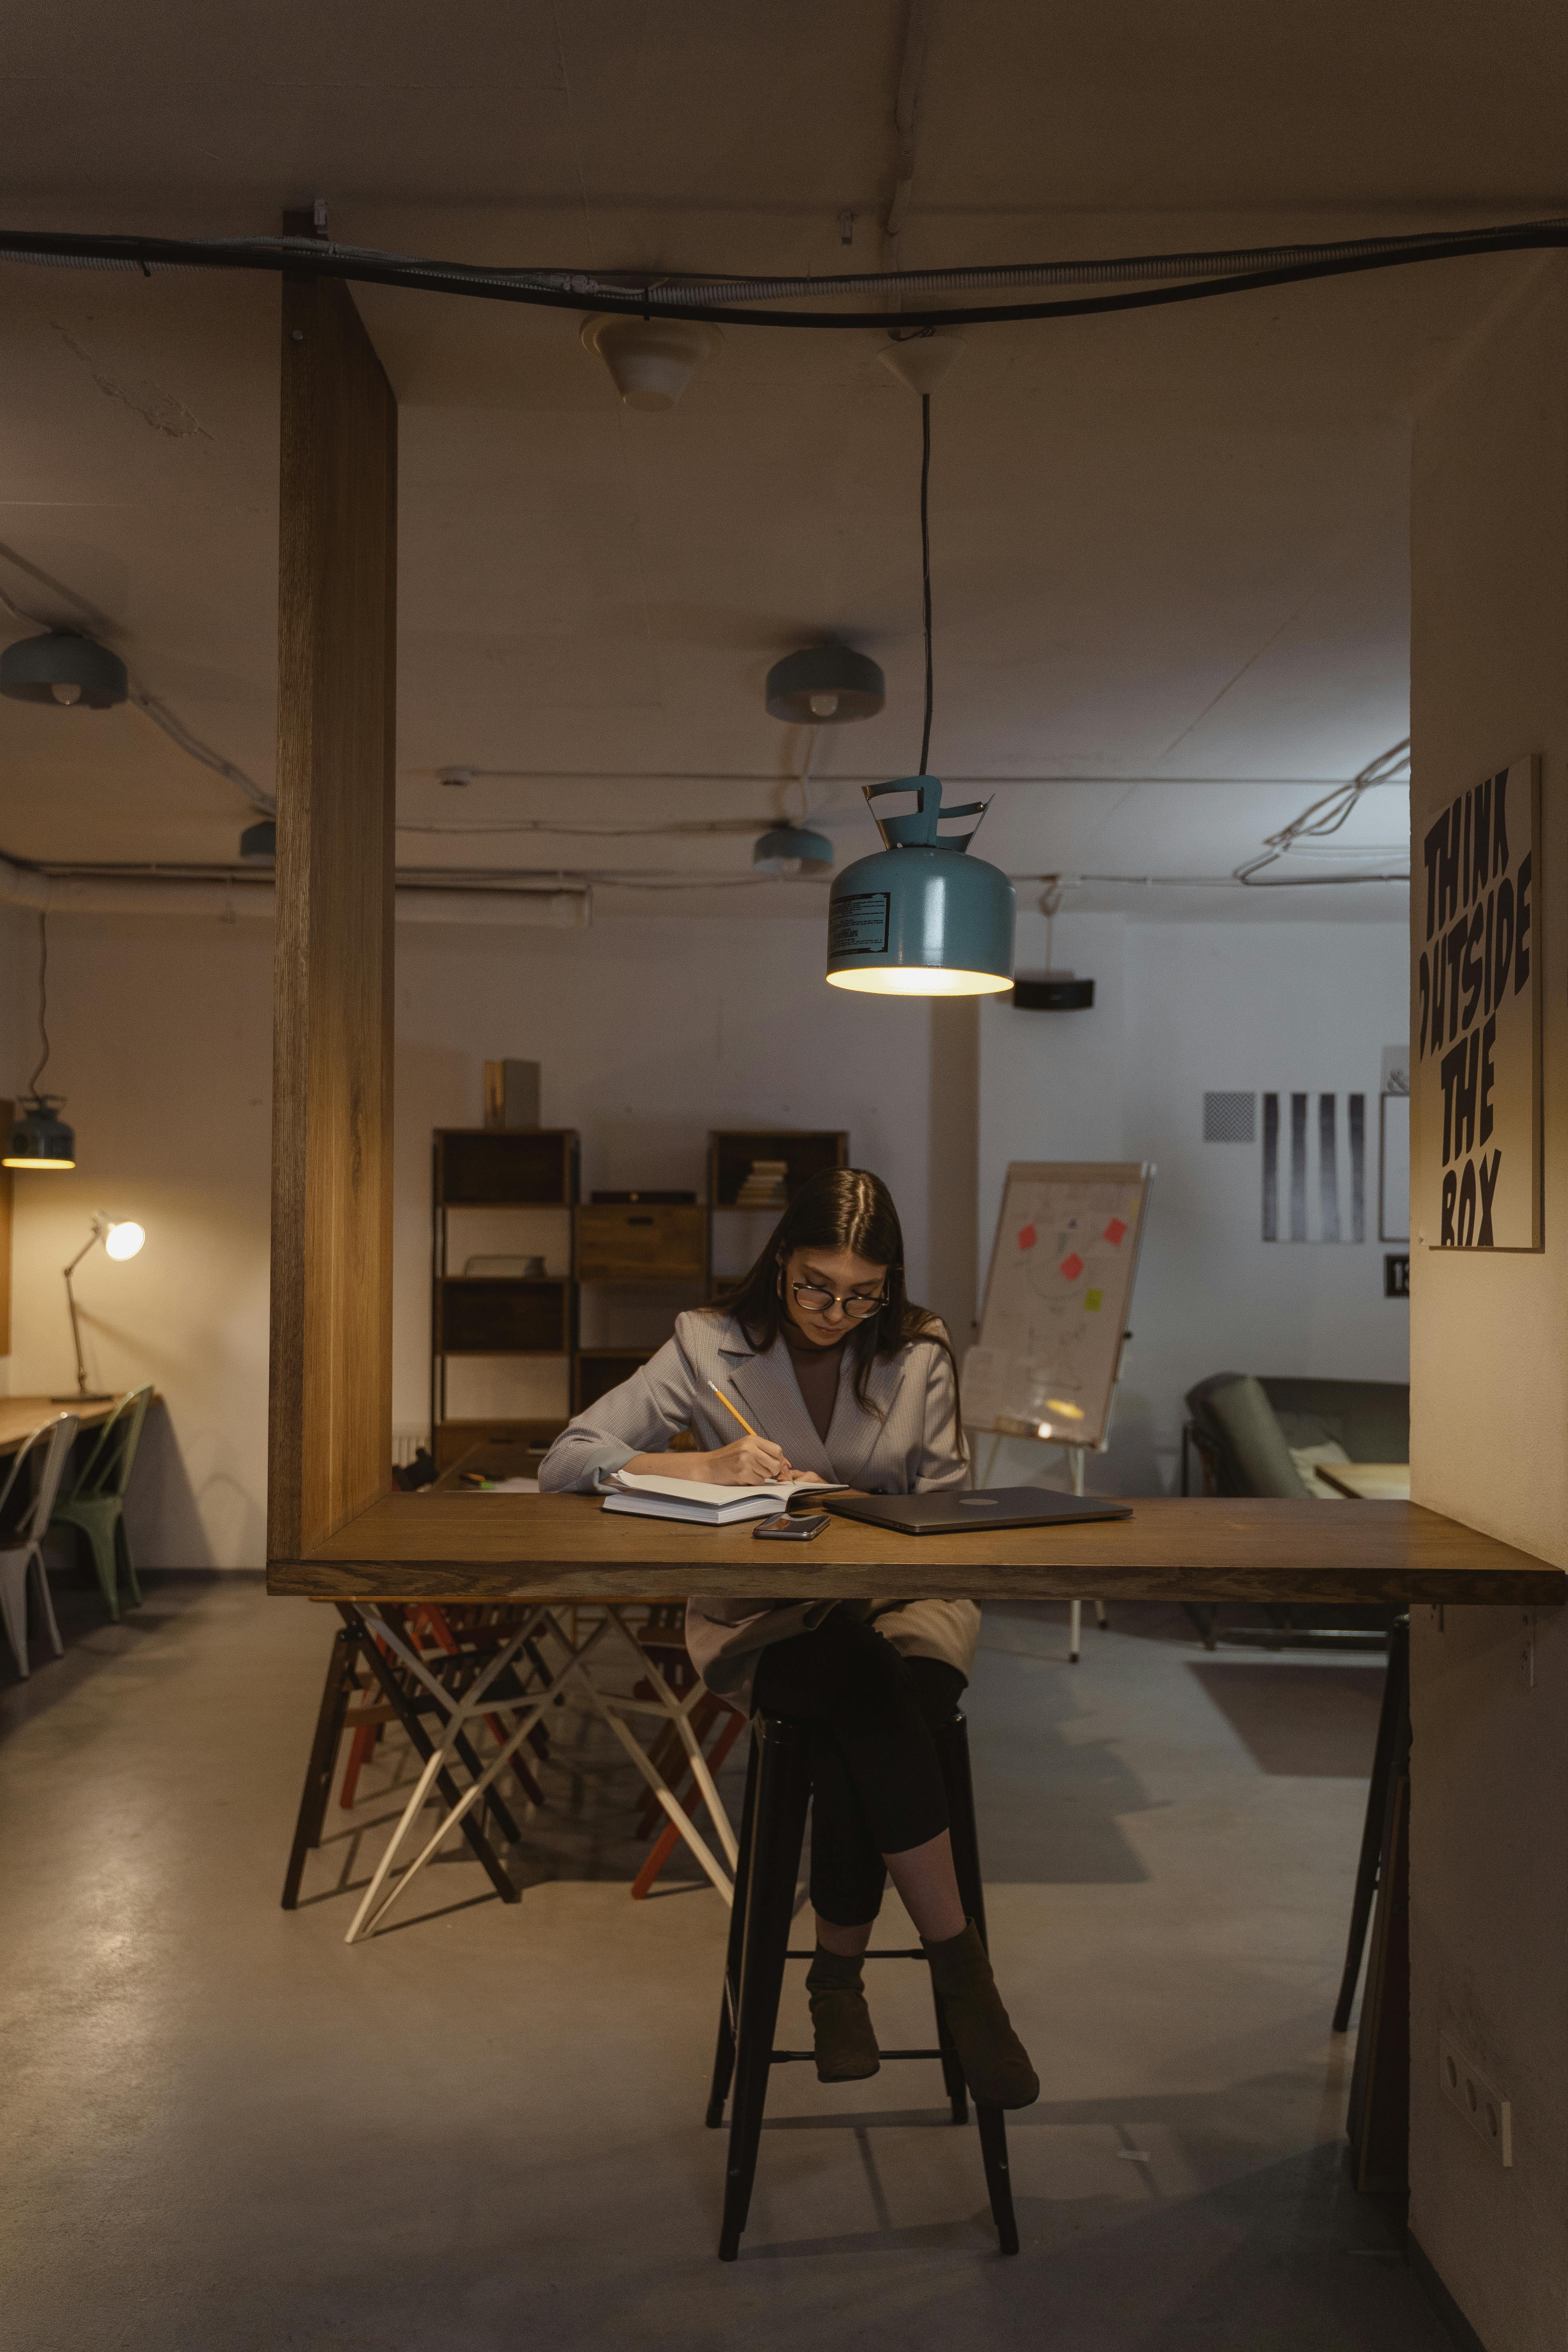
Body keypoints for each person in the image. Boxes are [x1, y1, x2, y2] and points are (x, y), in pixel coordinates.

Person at [539, 1167, 1038, 2108]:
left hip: (899, 1603)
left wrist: (883, 1519)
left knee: (886, 1695)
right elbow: (568, 1459)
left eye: (862, 1294)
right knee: (864, 1687)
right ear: (780, 1265)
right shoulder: (707, 1342)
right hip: (766, 1615)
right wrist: (702, 1462)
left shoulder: (918, 1347)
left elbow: (948, 1501)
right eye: (816, 1285)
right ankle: (960, 1975)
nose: (836, 1310)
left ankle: (836, 1979)